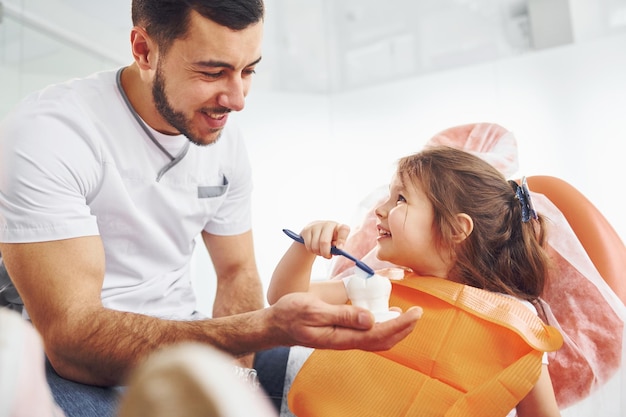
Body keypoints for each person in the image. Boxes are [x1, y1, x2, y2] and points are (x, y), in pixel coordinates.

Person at [0, 1, 422, 416]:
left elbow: (237, 272)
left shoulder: (222, 139)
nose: (237, 99)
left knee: (346, 381)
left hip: (192, 333)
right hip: (81, 365)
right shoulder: (51, 133)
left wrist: (235, 383)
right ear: (144, 50)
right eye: (212, 72)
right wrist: (257, 330)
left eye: (248, 70)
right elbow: (72, 341)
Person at [269, 146, 563, 417]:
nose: (379, 210)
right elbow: (286, 299)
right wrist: (304, 248)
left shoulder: (515, 321)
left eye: (400, 199)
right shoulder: (383, 285)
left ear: (457, 229)